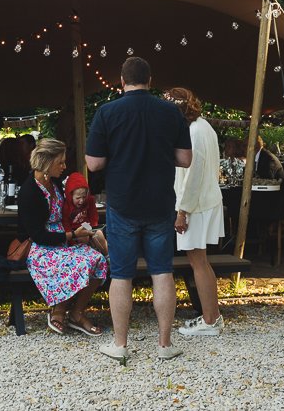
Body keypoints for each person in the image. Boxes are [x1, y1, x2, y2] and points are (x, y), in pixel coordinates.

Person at [85, 57, 192, 363]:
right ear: (150, 79)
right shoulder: (170, 112)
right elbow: (185, 159)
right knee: (162, 272)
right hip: (160, 203)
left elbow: (94, 163)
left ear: (122, 80)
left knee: (121, 274)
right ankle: (164, 344)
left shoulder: (107, 112)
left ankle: (120, 345)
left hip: (122, 203)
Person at [19, 139, 107, 336]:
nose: (64, 167)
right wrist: (72, 235)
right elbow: (38, 235)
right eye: (60, 162)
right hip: (42, 247)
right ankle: (59, 311)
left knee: (98, 260)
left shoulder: (55, 182)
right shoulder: (29, 191)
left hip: (65, 241)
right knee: (78, 263)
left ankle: (76, 313)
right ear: (46, 162)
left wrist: (80, 230)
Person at [164, 87, 225, 337]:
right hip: (203, 201)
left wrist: (182, 211)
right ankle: (212, 315)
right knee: (200, 261)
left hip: (197, 205)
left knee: (198, 262)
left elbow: (194, 175)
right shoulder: (203, 127)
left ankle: (211, 320)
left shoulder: (195, 131)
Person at [62, 172, 108, 254]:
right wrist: (71, 236)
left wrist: (93, 228)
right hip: (74, 229)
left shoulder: (89, 200)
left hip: (86, 225)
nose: (81, 201)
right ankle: (87, 254)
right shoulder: (66, 206)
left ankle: (106, 254)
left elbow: (93, 215)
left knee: (99, 235)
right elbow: (65, 223)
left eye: (84, 197)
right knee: (84, 237)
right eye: (78, 198)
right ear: (70, 195)